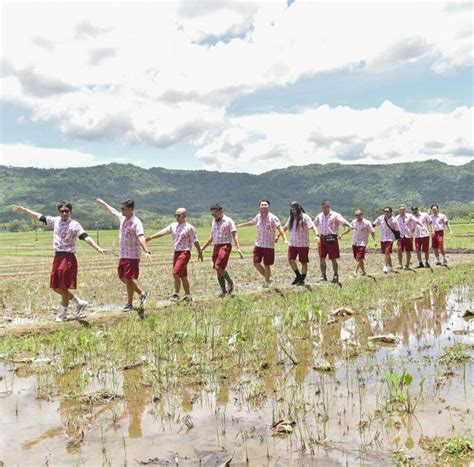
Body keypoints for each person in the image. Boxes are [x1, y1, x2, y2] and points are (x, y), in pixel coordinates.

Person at [14, 202, 104, 322]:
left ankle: (63, 314)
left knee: (63, 286)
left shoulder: (74, 225)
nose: (64, 213)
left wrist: (97, 247)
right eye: (62, 211)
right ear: (59, 212)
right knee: (56, 287)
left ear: (71, 212)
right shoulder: (56, 220)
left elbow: (85, 236)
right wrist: (25, 210)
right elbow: (40, 217)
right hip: (58, 257)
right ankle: (79, 302)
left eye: (67, 211)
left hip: (67, 257)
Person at [96, 198, 150, 311]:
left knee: (129, 278)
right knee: (122, 277)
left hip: (132, 255)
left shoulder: (136, 222)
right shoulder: (123, 218)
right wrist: (104, 203)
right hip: (123, 254)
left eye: (123, 209)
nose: (121, 211)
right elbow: (113, 211)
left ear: (130, 209)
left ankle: (129, 303)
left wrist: (146, 251)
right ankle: (142, 293)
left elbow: (141, 237)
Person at [146, 208, 203, 302]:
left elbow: (195, 240)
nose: (177, 217)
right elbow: (163, 232)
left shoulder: (189, 228)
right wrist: (151, 237)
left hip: (185, 252)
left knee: (175, 272)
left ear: (184, 216)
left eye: (179, 215)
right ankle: (188, 296)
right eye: (175, 215)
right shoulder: (173, 226)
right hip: (176, 252)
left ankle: (176, 294)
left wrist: (199, 252)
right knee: (183, 275)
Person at [237, 200, 288, 288]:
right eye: (262, 205)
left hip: (268, 245)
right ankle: (268, 278)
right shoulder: (258, 216)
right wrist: (241, 225)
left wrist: (285, 239)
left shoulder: (273, 218)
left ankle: (266, 283)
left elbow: (280, 228)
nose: (263, 206)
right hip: (258, 244)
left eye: (265, 205)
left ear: (269, 207)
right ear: (259, 207)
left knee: (267, 264)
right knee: (256, 263)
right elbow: (252, 222)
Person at [201, 204, 244, 297]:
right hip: (216, 246)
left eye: (215, 214)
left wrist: (238, 248)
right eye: (212, 215)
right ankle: (224, 291)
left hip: (225, 246)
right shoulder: (213, 222)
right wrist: (203, 247)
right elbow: (211, 237)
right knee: (218, 270)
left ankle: (230, 282)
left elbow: (234, 235)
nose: (214, 216)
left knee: (217, 266)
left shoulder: (229, 221)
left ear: (221, 211)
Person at [278, 201, 318, 286]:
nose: (293, 211)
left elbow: (312, 226)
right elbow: (285, 227)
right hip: (293, 243)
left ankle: (302, 279)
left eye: (294, 209)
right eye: (292, 209)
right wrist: (278, 236)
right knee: (290, 259)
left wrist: (317, 235)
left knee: (303, 262)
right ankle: (298, 276)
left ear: (298, 208)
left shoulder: (305, 217)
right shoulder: (291, 217)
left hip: (303, 244)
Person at [313, 200, 351, 283]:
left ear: (329, 207)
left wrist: (350, 225)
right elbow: (313, 225)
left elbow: (343, 221)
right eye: (322, 208)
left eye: (325, 208)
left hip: (331, 238)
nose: (324, 209)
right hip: (322, 238)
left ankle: (335, 275)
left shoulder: (335, 215)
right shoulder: (319, 215)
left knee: (333, 258)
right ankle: (323, 275)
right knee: (321, 258)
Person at [341, 210, 376, 276]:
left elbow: (372, 232)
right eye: (356, 215)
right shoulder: (354, 221)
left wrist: (374, 241)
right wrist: (342, 234)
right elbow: (349, 229)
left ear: (362, 214)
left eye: (358, 215)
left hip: (362, 242)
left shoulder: (367, 222)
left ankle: (355, 272)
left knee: (359, 257)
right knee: (358, 258)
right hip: (355, 241)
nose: (357, 216)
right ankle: (363, 271)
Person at [373, 207, 398, 273]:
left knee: (387, 251)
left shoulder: (394, 220)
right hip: (382, 237)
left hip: (390, 238)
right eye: (385, 211)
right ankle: (391, 267)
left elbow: (397, 230)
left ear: (390, 212)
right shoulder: (380, 218)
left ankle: (385, 266)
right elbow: (374, 224)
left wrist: (398, 240)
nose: (386, 213)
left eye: (387, 211)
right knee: (387, 253)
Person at [394, 204, 419, 270]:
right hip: (400, 237)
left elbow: (415, 223)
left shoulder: (409, 216)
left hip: (408, 236)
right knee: (399, 250)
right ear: (399, 210)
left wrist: (412, 231)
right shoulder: (396, 217)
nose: (402, 211)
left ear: (405, 210)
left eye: (403, 209)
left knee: (408, 251)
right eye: (400, 209)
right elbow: (394, 227)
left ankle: (407, 265)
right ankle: (400, 264)